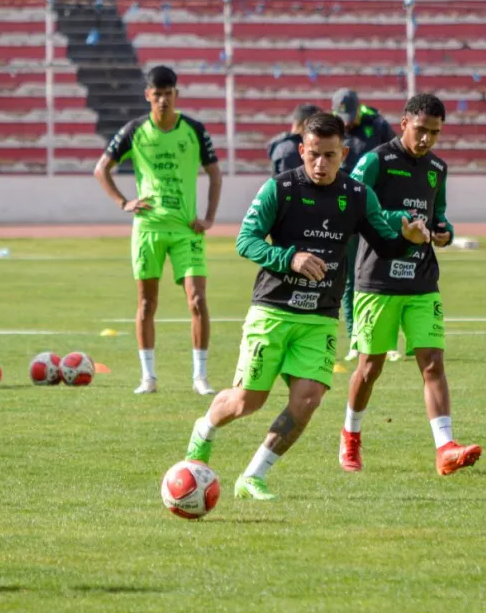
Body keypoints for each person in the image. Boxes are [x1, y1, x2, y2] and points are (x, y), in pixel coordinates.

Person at [183, 112, 433, 501]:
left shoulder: (357, 196)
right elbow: (245, 240)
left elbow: (385, 243)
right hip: (273, 311)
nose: (320, 164)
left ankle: (252, 476)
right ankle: (205, 429)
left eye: (330, 156)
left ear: (344, 154)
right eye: (313, 154)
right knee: (247, 401)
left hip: (319, 317)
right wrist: (290, 258)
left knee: (309, 399)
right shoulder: (278, 189)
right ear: (302, 149)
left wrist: (411, 239)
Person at [339, 93, 482, 476]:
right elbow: (352, 205)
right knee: (370, 368)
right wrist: (398, 218)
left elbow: (441, 217)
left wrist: (443, 232)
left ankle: (445, 448)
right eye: (421, 130)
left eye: (435, 133)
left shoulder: (437, 167)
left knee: (432, 363)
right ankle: (350, 437)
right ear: (404, 123)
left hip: (421, 279)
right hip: (378, 280)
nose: (427, 140)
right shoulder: (375, 162)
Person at [95, 66, 222, 395]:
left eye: (168, 93)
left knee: (197, 300)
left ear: (176, 94)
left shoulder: (194, 130)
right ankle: (148, 377)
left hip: (185, 230)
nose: (163, 99)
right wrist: (123, 202)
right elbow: (102, 169)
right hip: (148, 229)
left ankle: (200, 377)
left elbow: (215, 173)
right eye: (157, 93)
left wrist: (208, 217)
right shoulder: (135, 130)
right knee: (147, 305)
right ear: (147, 95)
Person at [330, 88, 397, 362]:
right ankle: (356, 338)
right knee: (350, 280)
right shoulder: (333, 128)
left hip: (377, 212)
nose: (348, 122)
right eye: (342, 116)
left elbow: (395, 162)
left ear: (360, 108)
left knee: (384, 277)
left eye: (351, 115)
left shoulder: (379, 126)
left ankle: (388, 341)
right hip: (346, 211)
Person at [266, 103, 320, 176]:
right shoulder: (291, 151)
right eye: (317, 123)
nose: (320, 129)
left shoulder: (286, 145)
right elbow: (289, 185)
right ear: (307, 123)